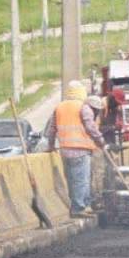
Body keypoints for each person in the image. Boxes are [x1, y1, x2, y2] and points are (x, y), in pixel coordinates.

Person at [46, 81, 105, 217]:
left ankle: (82, 205)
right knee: (82, 180)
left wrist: (50, 146)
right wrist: (100, 140)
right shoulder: (83, 107)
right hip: (81, 149)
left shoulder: (59, 107)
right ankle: (78, 208)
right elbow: (91, 127)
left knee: (72, 180)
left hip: (65, 150)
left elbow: (52, 129)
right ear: (81, 93)